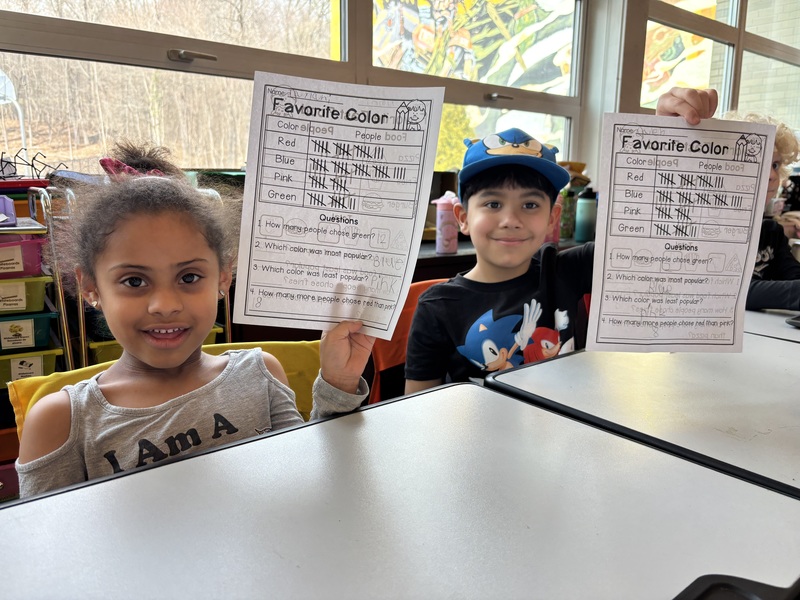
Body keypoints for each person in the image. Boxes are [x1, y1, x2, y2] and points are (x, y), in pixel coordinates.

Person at [16, 145, 374, 498]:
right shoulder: (63, 422)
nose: (165, 305)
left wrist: (338, 385)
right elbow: (47, 549)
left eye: (188, 277)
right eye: (134, 281)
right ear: (91, 287)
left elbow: (305, 484)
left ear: (223, 277)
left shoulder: (261, 374)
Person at [404, 88, 720, 393]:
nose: (511, 220)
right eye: (492, 204)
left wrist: (672, 136)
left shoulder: (569, 269)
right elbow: (414, 412)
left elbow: (656, 242)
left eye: (530, 205)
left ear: (552, 218)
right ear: (462, 217)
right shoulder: (437, 307)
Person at [722, 112, 800, 310]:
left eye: (775, 165)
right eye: (761, 162)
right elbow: (728, 291)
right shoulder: (711, 229)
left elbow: (794, 278)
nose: (773, 175)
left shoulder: (771, 232)